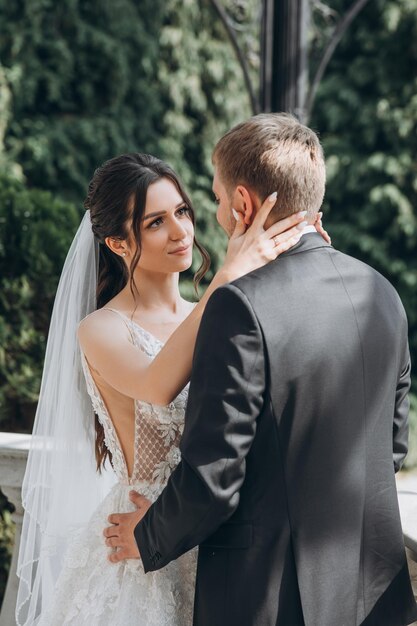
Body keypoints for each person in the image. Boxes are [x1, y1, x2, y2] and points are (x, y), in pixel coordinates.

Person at [106, 114, 417, 626]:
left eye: (217, 198)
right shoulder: (382, 292)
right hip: (371, 595)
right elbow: (391, 446)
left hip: (269, 600)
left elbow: (214, 479)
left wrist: (147, 535)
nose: (216, 213)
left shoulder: (239, 307)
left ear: (244, 204)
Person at [16, 151, 323, 625]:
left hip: (216, 541)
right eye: (156, 222)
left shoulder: (213, 310)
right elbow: (157, 386)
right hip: (140, 550)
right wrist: (228, 275)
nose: (181, 232)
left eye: (182, 211)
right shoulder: (100, 329)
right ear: (118, 244)